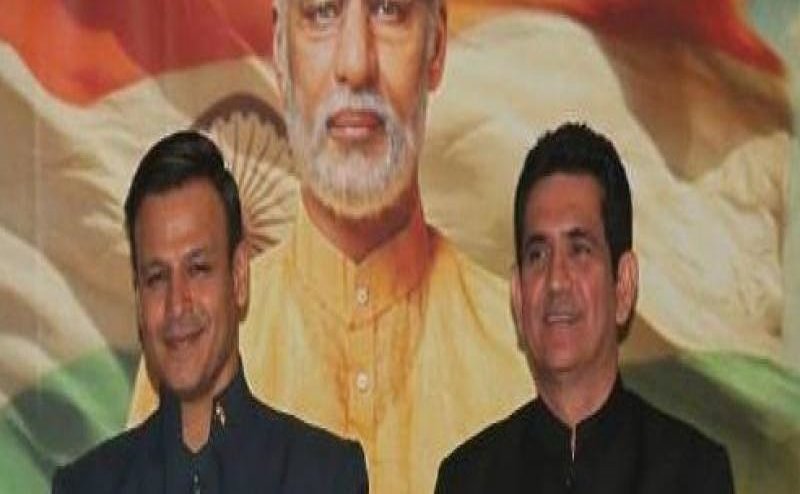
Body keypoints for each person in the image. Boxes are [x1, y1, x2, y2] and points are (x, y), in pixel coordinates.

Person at [127, 1, 532, 492]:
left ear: (436, 47)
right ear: (280, 50)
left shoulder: (522, 359)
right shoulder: (193, 344)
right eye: (321, 12)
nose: (356, 63)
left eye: (389, 9)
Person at [52, 131, 367, 493]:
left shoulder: (325, 477)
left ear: (239, 277)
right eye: (157, 277)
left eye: (198, 269)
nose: (177, 304)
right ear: (139, 299)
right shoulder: (87, 486)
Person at [434, 123, 735, 493]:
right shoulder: (468, 480)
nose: (556, 280)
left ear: (623, 286)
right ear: (518, 295)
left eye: (579, 250)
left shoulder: (693, 474)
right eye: (538, 254)